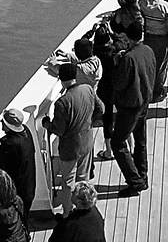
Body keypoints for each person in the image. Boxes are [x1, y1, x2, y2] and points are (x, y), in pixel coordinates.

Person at [99, 29, 153, 196]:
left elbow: (119, 82)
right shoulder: (147, 50)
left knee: (118, 143)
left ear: (129, 39)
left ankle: (135, 181)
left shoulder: (128, 58)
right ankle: (142, 176)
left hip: (130, 105)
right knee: (140, 140)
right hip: (145, 100)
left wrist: (117, 63)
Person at [45, 57, 97, 213]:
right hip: (87, 141)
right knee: (83, 179)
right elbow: (99, 108)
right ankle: (85, 207)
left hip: (70, 148)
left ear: (61, 79)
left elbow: (58, 130)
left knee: (68, 182)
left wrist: (47, 124)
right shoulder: (88, 89)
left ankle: (68, 212)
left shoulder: (62, 102)